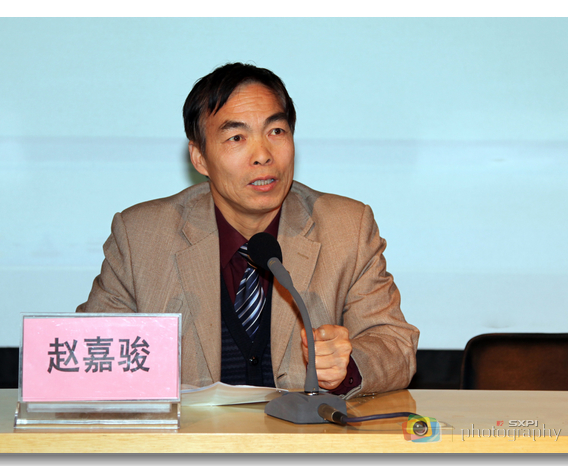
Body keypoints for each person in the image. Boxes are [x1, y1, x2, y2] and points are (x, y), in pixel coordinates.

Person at [77, 63, 419, 398]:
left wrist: (348, 365)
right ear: (199, 158)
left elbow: (394, 344)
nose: (263, 155)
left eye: (276, 132)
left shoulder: (346, 227)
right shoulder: (141, 237)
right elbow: (88, 353)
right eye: (237, 137)